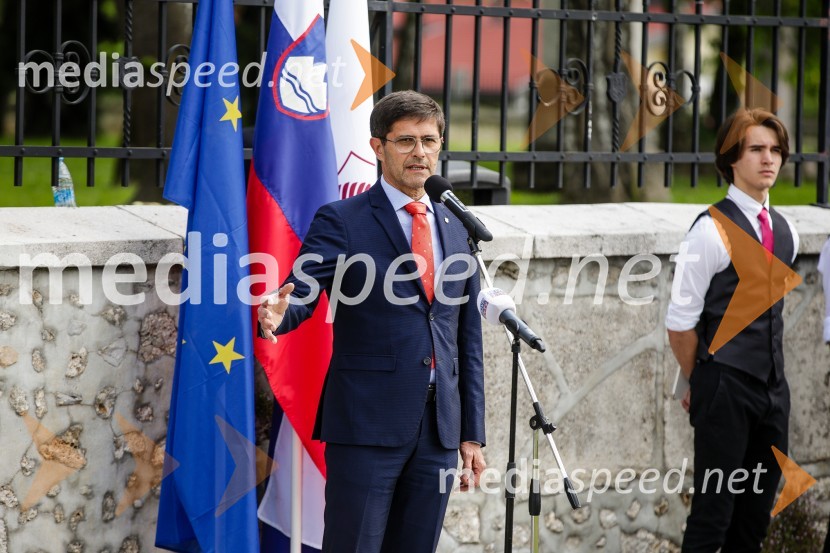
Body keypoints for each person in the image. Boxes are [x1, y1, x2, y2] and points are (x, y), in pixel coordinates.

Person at [257, 90, 486, 553]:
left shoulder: (457, 226)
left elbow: (467, 337)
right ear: (377, 147)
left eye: (429, 140)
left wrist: (471, 433)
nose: (420, 153)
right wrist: (280, 313)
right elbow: (304, 286)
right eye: (405, 141)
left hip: (439, 430)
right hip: (367, 425)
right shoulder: (343, 219)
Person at [666, 108, 799, 552]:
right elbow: (680, 325)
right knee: (712, 517)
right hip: (724, 389)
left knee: (754, 520)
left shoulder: (788, 231)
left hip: (773, 395)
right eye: (757, 149)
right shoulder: (708, 231)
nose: (770, 159)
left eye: (776, 149)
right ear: (731, 158)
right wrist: (703, 379)